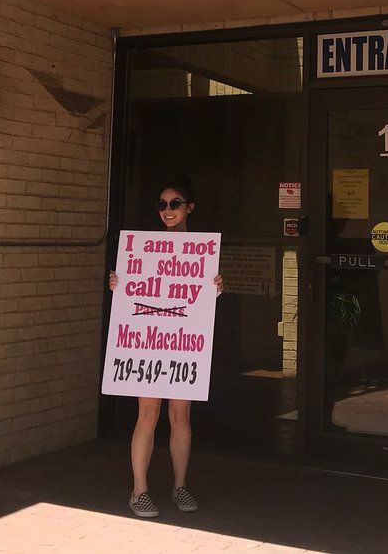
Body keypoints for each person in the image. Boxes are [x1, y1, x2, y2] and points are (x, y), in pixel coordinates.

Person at [108, 178, 223, 519]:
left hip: (182, 346)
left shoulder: (203, 251)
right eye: (162, 204)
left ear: (190, 207)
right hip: (149, 344)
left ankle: (180, 486)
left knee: (180, 416)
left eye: (175, 204)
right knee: (147, 415)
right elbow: (131, 292)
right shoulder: (142, 248)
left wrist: (217, 286)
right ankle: (139, 491)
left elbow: (203, 298)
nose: (168, 210)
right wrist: (119, 283)